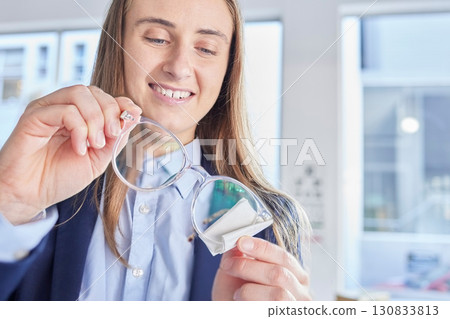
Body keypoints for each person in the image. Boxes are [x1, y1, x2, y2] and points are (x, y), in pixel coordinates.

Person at [0, 0, 311, 301]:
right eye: (157, 38)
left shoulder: (268, 223)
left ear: (227, 69)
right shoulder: (44, 197)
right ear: (116, 45)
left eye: (205, 49)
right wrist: (10, 203)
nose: (178, 68)